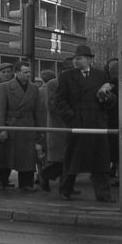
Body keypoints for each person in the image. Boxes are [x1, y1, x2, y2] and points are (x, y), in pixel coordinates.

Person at [53, 44, 116, 203]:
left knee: (100, 160)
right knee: (73, 158)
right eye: (75, 58)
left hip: (97, 121)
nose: (76, 61)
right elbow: (59, 100)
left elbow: (111, 99)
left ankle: (103, 194)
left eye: (79, 58)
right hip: (78, 121)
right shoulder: (66, 76)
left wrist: (106, 98)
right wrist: (71, 117)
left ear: (88, 60)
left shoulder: (100, 75)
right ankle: (65, 190)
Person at [0, 60, 46, 192]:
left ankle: (26, 184)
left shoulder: (34, 88)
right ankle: (1, 180)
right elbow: (0, 110)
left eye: (29, 72)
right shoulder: (5, 87)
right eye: (25, 72)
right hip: (11, 126)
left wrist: (40, 130)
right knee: (6, 155)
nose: (28, 75)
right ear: (17, 73)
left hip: (28, 126)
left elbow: (38, 110)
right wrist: (1, 129)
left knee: (28, 157)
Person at [40, 56, 75, 190]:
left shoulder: (75, 82)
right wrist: (72, 111)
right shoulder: (53, 84)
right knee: (62, 159)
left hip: (71, 125)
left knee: (71, 158)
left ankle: (66, 187)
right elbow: (52, 106)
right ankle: (46, 175)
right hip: (59, 126)